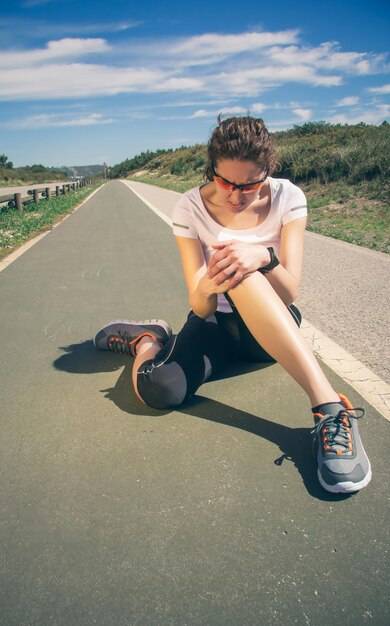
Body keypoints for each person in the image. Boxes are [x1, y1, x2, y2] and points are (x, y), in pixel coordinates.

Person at [94, 116, 371, 494]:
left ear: (268, 171)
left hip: (270, 328)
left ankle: (330, 410)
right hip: (214, 324)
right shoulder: (189, 207)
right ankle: (148, 339)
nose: (236, 195)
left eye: (250, 185)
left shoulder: (289, 197)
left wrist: (263, 258)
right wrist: (211, 281)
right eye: (224, 181)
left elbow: (289, 294)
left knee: (242, 266)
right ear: (211, 169)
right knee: (159, 391)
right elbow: (200, 304)